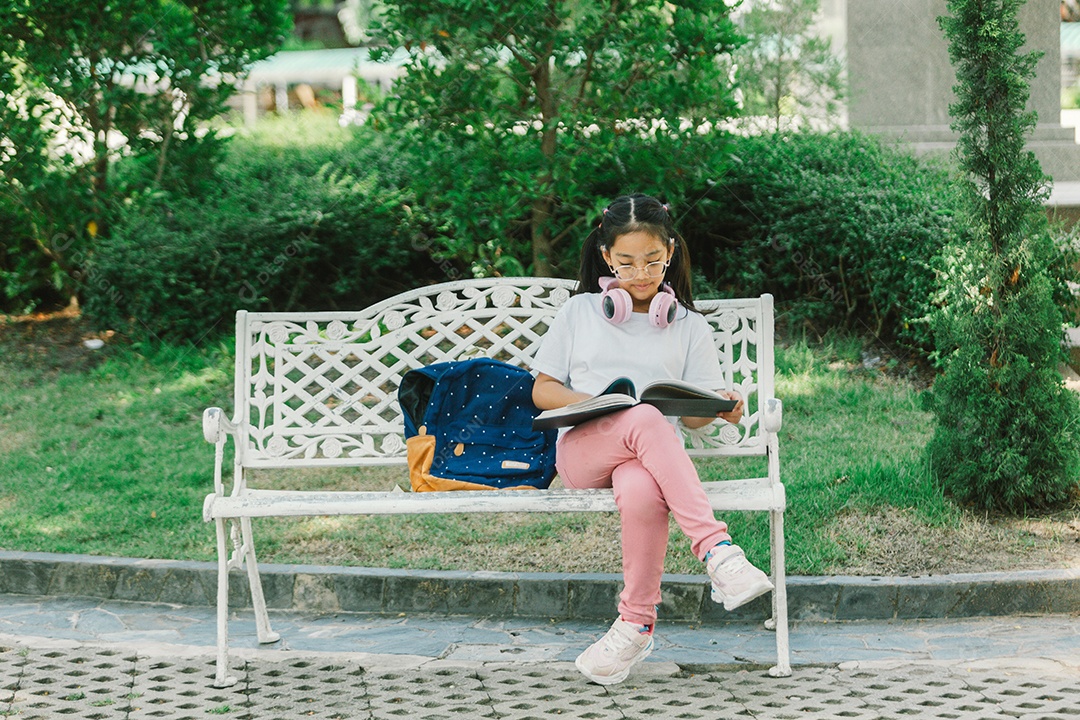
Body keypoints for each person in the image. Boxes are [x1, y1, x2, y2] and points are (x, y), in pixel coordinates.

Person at [530, 193, 774, 686]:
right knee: (641, 415)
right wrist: (597, 401)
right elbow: (541, 390)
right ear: (605, 258)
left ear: (671, 253)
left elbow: (696, 421)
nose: (640, 275)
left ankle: (637, 623)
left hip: (646, 462)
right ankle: (718, 551)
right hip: (582, 452)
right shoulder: (579, 312)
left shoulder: (688, 327)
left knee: (643, 487)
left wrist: (722, 407)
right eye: (625, 263)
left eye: (652, 262)